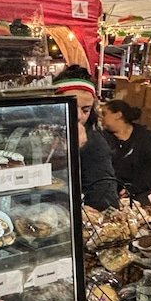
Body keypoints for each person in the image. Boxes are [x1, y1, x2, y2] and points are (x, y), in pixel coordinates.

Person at [53, 66, 119, 210]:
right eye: (70, 106)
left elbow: (104, 198)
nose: (78, 116)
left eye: (85, 110)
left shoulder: (95, 144)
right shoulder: (39, 132)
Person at [100, 99, 151, 202]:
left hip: (145, 193)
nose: (101, 118)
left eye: (104, 114)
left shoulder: (148, 138)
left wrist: (132, 189)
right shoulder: (101, 138)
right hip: (112, 194)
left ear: (118, 115)